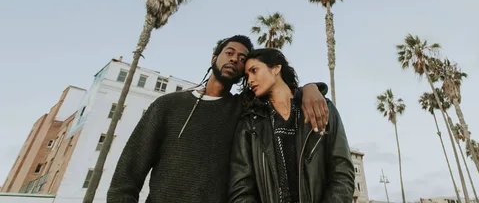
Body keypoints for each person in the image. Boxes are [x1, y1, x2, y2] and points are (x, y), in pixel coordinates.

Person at [107, 35, 329, 203]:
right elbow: (126, 176)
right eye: (229, 53)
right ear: (214, 58)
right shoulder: (168, 105)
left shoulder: (245, 110)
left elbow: (279, 92)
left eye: (242, 59)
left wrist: (310, 88)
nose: (234, 59)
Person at [229, 48, 355, 203]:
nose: (250, 80)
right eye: (247, 76)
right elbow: (241, 187)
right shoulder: (249, 123)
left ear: (276, 68)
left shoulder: (321, 107)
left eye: (254, 71)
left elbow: (342, 169)